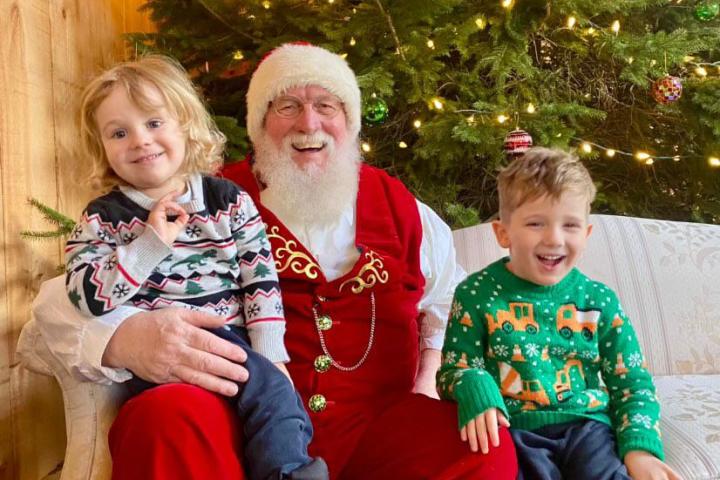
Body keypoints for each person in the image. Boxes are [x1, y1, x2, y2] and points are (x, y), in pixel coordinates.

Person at [33, 43, 518, 479]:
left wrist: (429, 382)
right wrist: (123, 339)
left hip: (379, 432)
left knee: (481, 446)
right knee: (164, 418)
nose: (309, 124)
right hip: (236, 427)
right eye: (287, 105)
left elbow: (450, 302)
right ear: (259, 122)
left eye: (326, 106)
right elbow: (57, 306)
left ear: (349, 122)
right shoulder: (207, 197)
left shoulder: (403, 208)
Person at [64, 54, 327, 480]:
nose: (139, 140)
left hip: (232, 343)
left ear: (185, 123)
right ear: (102, 147)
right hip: (164, 357)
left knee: (277, 395)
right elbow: (86, 297)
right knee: (195, 414)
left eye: (153, 123)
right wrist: (148, 246)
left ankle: (287, 471)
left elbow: (259, 282)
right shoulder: (102, 218)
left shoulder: (229, 201)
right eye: (118, 132)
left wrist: (271, 353)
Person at [437, 147, 682, 480]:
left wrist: (640, 449)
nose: (554, 239)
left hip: (588, 428)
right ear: (503, 233)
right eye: (536, 223)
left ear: (586, 233)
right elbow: (454, 369)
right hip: (513, 429)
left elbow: (633, 384)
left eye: (570, 225)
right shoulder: (476, 295)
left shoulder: (600, 301)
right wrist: (475, 383)